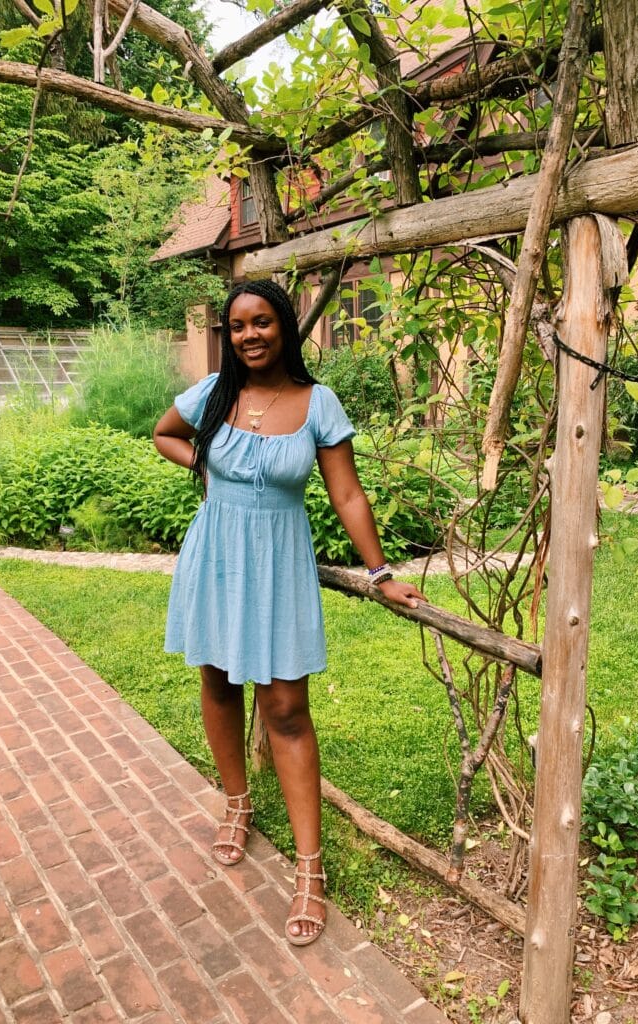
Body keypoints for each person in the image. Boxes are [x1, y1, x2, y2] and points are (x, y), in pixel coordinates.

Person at [153, 279, 424, 947]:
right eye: (238, 325)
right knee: (216, 680)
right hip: (214, 554)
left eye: (262, 322)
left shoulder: (316, 402)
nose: (249, 335)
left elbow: (348, 493)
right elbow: (163, 433)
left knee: (285, 708)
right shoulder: (215, 395)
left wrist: (381, 572)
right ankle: (237, 803)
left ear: (286, 328)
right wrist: (205, 470)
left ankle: (310, 868)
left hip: (277, 564)